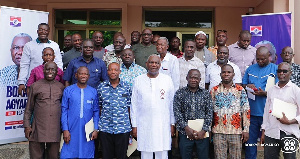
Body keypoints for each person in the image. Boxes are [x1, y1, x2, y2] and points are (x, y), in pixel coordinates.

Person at [131, 54, 175, 159]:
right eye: (151, 62)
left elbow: (171, 104)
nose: (154, 65)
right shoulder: (138, 80)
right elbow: (134, 105)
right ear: (146, 64)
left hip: (162, 125)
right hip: (144, 124)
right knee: (146, 152)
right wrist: (134, 125)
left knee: (162, 152)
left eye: (156, 63)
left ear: (160, 65)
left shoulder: (167, 80)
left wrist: (172, 123)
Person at [242, 46, 278, 159]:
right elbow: (243, 85)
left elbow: (280, 91)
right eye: (258, 59)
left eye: (263, 59)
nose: (260, 61)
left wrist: (266, 93)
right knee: (250, 144)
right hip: (251, 113)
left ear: (269, 57)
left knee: (268, 144)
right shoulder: (250, 69)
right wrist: (248, 86)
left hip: (268, 114)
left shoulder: (276, 69)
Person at [23, 61, 64, 159]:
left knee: (53, 156)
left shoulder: (61, 87)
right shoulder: (35, 86)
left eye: (53, 69)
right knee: (36, 155)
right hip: (38, 127)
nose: (50, 72)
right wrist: (27, 126)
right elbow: (29, 108)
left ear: (57, 71)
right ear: (43, 70)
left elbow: (64, 109)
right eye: (48, 69)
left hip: (55, 128)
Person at [261, 62, 300, 159]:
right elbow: (266, 112)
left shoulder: (296, 90)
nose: (281, 73)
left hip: (289, 133)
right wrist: (263, 132)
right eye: (279, 71)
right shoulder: (271, 90)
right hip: (271, 132)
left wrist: (290, 121)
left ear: (290, 73)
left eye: (285, 71)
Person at [211, 64, 250, 159]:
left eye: (229, 72)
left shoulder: (240, 90)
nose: (226, 74)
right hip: (218, 131)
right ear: (220, 74)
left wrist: (246, 130)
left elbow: (246, 110)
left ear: (233, 74)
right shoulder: (214, 90)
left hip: (235, 132)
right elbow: (209, 111)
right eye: (224, 72)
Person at [60, 66, 99, 158]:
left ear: (89, 76)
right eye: (81, 73)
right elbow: (64, 110)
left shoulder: (93, 91)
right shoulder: (68, 90)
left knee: (86, 154)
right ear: (76, 75)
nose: (83, 76)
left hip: (87, 131)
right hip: (71, 129)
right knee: (68, 154)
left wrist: (96, 129)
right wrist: (65, 129)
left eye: (85, 74)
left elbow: (96, 111)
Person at [173, 69, 213, 159]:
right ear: (187, 78)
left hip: (202, 133)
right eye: (191, 77)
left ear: (200, 79)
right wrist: (186, 128)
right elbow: (177, 112)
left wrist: (204, 130)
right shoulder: (180, 93)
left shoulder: (206, 94)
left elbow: (209, 113)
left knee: (203, 157)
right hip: (185, 132)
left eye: (196, 78)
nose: (193, 80)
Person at [97, 63, 132, 159]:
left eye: (116, 70)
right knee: (106, 156)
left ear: (120, 72)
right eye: (110, 69)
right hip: (105, 128)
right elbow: (99, 107)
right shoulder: (101, 87)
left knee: (122, 156)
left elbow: (129, 108)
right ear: (107, 72)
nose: (113, 72)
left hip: (123, 128)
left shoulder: (126, 87)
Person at [18, 23, 63, 96]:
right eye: (41, 30)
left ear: (49, 31)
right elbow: (24, 65)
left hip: (52, 82)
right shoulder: (29, 45)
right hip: (35, 81)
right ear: (37, 31)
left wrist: (57, 78)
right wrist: (21, 82)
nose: (43, 32)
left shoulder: (54, 45)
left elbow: (58, 64)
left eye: (45, 30)